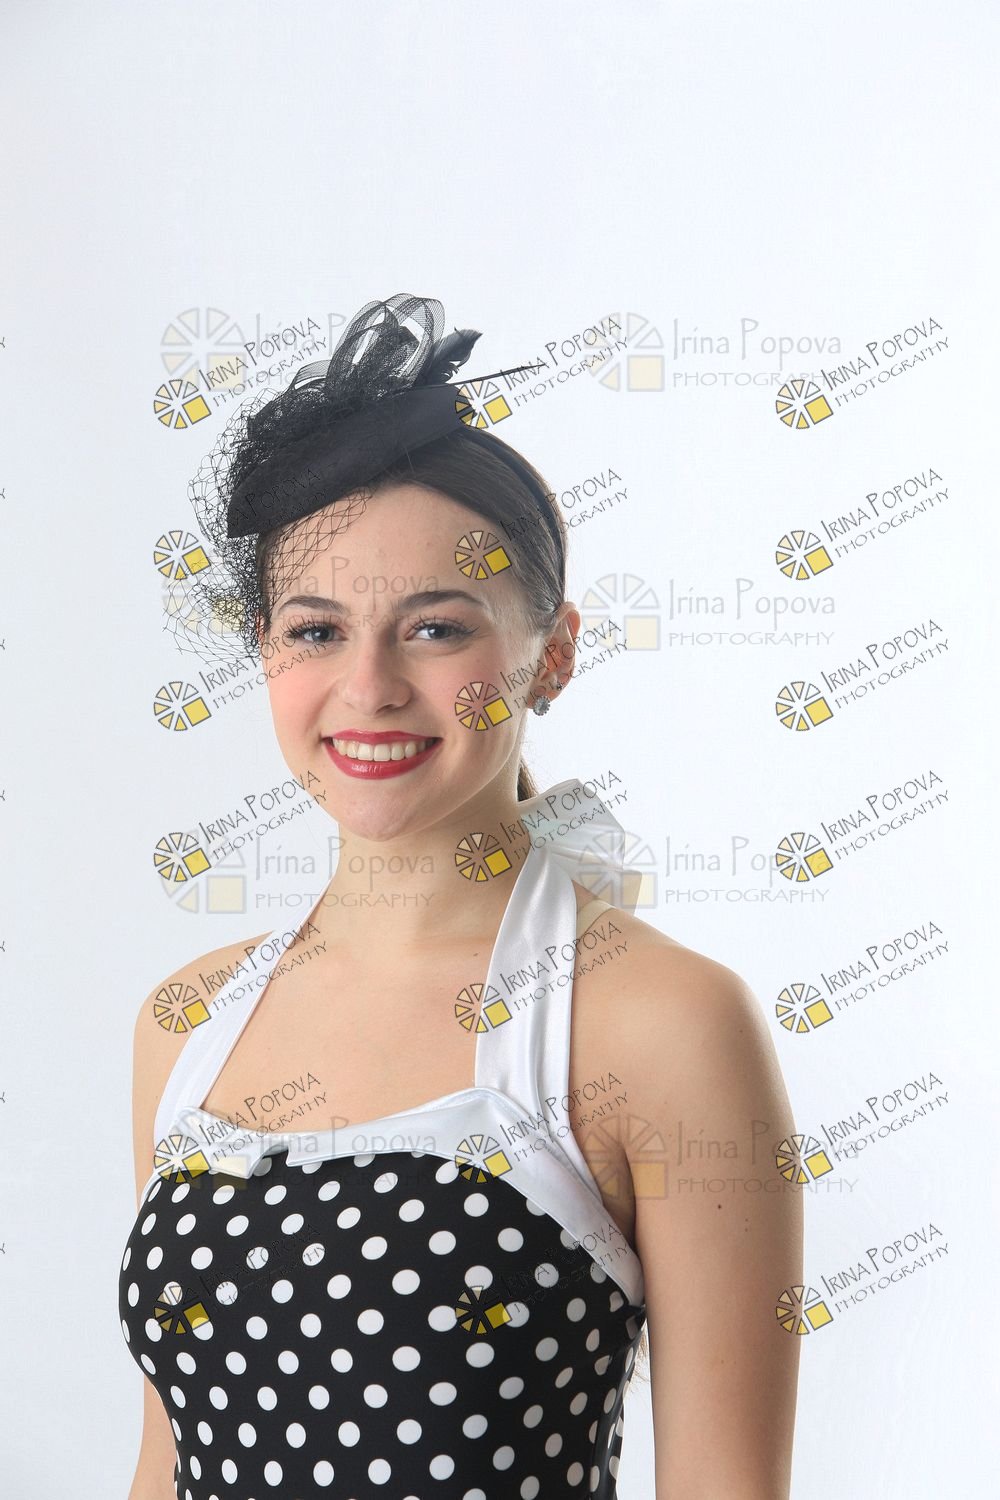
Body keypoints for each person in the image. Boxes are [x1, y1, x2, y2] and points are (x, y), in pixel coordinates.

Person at [119, 294, 802, 1499]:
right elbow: (161, 1463)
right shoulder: (188, 1022)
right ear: (267, 652)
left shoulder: (661, 1022)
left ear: (552, 653)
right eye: (315, 631)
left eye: (434, 629)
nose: (368, 685)